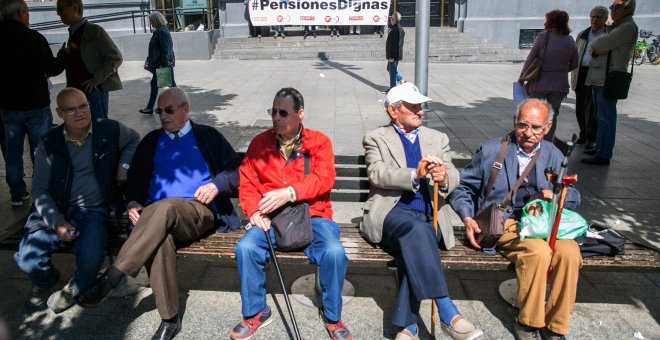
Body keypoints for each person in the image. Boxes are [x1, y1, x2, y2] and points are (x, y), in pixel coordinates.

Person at [75, 87, 241, 340]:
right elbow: (136, 180)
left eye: (169, 110)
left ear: (185, 110)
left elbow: (236, 170)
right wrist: (132, 202)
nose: (163, 115)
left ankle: (112, 277)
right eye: (159, 111)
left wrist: (216, 185)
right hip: (155, 218)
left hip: (197, 210)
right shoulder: (152, 140)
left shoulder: (207, 136)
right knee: (160, 240)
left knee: (165, 206)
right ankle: (169, 319)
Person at [449, 98, 582, 340]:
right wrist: (468, 217)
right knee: (538, 253)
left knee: (569, 253)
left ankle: (556, 325)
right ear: (514, 122)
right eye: (523, 125)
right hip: (506, 223)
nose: (528, 133)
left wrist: (556, 195)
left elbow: (573, 196)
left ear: (548, 127)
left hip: (544, 222)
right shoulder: (491, 150)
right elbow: (461, 188)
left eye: (536, 127)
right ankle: (528, 322)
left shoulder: (553, 154)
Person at [361, 83, 483, 340]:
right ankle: (447, 311)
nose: (420, 110)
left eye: (420, 105)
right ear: (393, 111)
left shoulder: (437, 138)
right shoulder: (376, 138)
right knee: (418, 232)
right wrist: (415, 175)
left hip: (431, 214)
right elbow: (377, 173)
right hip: (392, 214)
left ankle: (408, 326)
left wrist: (443, 177)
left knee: (417, 240)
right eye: (413, 105)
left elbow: (452, 173)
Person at [231, 88, 352, 340]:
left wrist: (290, 192)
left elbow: (324, 178)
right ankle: (256, 312)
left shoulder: (319, 142)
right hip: (271, 217)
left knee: (333, 252)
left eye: (283, 112)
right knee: (246, 248)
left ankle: (332, 316)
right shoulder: (259, 144)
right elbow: (247, 181)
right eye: (273, 111)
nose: (276, 117)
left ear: (301, 114)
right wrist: (253, 211)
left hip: (313, 215)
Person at [13, 88, 139, 313]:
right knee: (27, 260)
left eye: (83, 106)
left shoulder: (109, 129)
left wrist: (124, 165)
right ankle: (45, 280)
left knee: (91, 256)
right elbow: (40, 191)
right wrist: (57, 222)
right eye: (71, 109)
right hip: (56, 208)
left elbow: (134, 140)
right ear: (59, 113)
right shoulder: (49, 144)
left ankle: (76, 286)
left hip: (92, 211)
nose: (79, 113)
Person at [0, 0, 67, 207]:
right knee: (41, 149)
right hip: (36, 105)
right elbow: (53, 68)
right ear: (21, 13)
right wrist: (63, 56)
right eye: (27, 11)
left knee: (12, 151)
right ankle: (43, 189)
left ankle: (17, 193)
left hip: (8, 106)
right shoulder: (34, 38)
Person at [582, 0, 637, 166]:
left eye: (616, 7)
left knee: (606, 117)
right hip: (600, 77)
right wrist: (597, 48)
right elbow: (597, 46)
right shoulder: (617, 26)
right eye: (612, 6)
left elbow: (597, 44)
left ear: (627, 9)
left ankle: (604, 153)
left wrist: (597, 47)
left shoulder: (626, 27)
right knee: (600, 116)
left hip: (608, 78)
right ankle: (600, 147)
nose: (612, 9)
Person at [56, 0, 123, 121]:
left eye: (61, 9)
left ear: (74, 8)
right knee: (80, 128)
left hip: (93, 92)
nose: (58, 14)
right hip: (76, 91)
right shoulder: (73, 32)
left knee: (99, 128)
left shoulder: (94, 31)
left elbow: (115, 57)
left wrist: (96, 79)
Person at [519, 10, 578, 141]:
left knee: (535, 114)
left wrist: (523, 76)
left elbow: (530, 59)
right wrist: (560, 70)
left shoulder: (542, 37)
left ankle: (534, 141)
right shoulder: (570, 40)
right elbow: (575, 63)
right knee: (552, 115)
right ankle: (547, 142)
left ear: (550, 21)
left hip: (540, 82)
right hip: (560, 85)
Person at [570, 6, 607, 149]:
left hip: (596, 74)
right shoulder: (583, 34)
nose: (595, 19)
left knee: (592, 108)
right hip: (581, 72)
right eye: (593, 16)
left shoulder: (607, 35)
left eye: (598, 17)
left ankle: (592, 137)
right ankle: (583, 134)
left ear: (605, 19)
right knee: (580, 105)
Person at [139, 11, 176, 115]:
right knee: (159, 84)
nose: (151, 23)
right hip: (161, 63)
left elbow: (165, 50)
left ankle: (179, 104)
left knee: (171, 86)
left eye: (151, 21)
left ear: (156, 20)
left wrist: (163, 65)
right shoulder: (161, 30)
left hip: (162, 64)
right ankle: (150, 107)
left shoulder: (161, 31)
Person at [386, 12, 405, 91]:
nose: (390, 19)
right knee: (389, 69)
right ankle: (401, 79)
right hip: (397, 54)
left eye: (391, 18)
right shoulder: (399, 28)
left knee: (392, 72)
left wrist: (391, 56)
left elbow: (394, 44)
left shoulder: (395, 30)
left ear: (394, 19)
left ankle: (393, 88)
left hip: (394, 55)